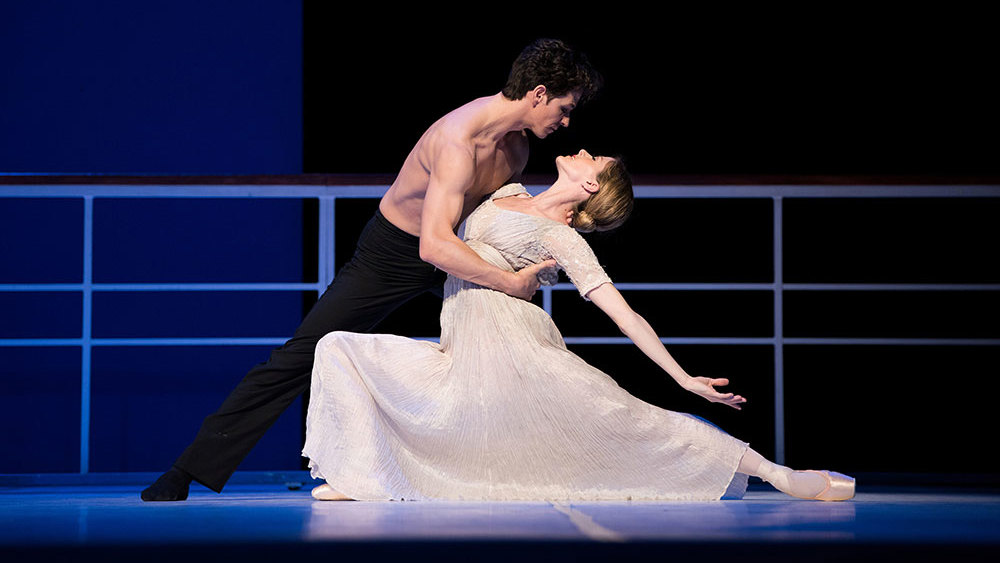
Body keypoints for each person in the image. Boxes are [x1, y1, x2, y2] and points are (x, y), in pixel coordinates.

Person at [141, 38, 603, 501]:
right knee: (302, 354)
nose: (566, 122)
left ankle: (544, 463)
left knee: (520, 343)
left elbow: (491, 220)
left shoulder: (517, 147)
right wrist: (508, 281)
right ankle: (185, 471)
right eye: (564, 108)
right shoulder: (457, 140)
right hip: (395, 253)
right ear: (538, 93)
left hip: (455, 250)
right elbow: (432, 244)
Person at [303, 150, 856, 502]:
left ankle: (775, 473)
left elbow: (621, 310)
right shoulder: (505, 192)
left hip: (518, 352)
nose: (582, 150)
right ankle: (364, 474)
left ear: (592, 187)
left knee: (629, 420)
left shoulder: (562, 239)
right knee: (338, 349)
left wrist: (683, 376)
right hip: (461, 352)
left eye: (594, 159)